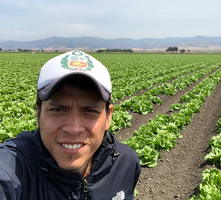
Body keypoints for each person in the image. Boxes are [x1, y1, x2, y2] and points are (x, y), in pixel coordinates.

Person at [0, 50, 141, 200]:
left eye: (90, 111)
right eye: (57, 109)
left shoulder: (126, 164)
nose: (74, 129)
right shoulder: (17, 166)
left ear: (108, 117)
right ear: (38, 114)